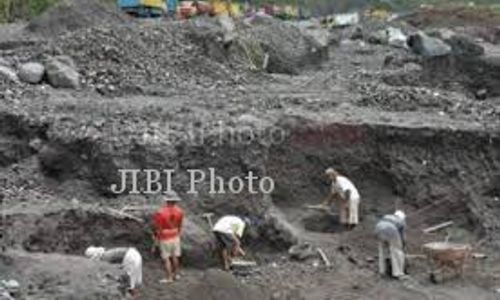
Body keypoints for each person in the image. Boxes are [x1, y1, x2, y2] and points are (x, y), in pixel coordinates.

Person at [153, 191, 184, 283]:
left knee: (166, 258)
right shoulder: (180, 211)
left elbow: (158, 228)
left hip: (165, 237)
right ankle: (176, 275)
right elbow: (180, 226)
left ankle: (169, 278)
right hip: (175, 235)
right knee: (175, 256)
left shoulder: (160, 212)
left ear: (166, 200)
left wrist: (156, 240)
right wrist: (178, 234)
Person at [375, 210, 407, 279]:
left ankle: (382, 271)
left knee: (382, 250)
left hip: (378, 229)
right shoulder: (401, 221)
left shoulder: (387, 216)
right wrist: (402, 245)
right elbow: (402, 236)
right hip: (391, 230)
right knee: (396, 250)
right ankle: (398, 273)